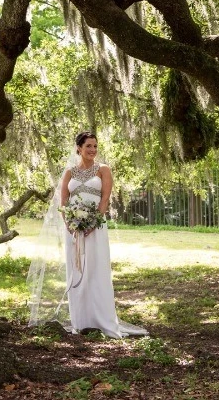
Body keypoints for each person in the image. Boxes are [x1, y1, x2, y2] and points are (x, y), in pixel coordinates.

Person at [27, 131, 147, 338]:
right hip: (73, 230)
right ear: (79, 148)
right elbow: (63, 202)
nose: (92, 150)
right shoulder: (69, 172)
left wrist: (93, 223)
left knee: (96, 269)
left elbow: (105, 200)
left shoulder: (103, 170)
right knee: (77, 270)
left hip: (96, 228)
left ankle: (102, 320)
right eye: (88, 146)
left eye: (95, 146)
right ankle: (80, 321)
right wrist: (70, 224)